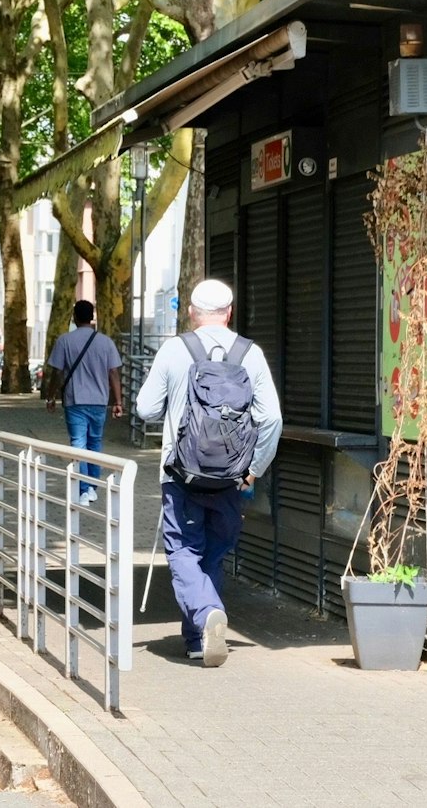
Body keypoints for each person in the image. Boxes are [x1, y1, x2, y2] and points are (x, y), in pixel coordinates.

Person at [136, 279, 282, 667]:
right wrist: (253, 470)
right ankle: (198, 640)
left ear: (190, 311)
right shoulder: (250, 354)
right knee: (212, 557)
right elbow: (272, 419)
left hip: (180, 474)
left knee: (184, 550)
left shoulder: (174, 348)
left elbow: (145, 408)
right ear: (230, 311)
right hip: (231, 478)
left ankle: (204, 615)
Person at [41, 300, 123, 504]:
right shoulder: (106, 342)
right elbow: (114, 372)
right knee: (95, 443)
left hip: (74, 401)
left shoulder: (65, 341)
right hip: (99, 402)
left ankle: (84, 489)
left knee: (79, 444)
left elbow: (57, 372)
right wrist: (118, 401)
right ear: (92, 317)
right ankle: (92, 487)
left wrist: (51, 396)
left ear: (74, 317)